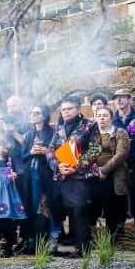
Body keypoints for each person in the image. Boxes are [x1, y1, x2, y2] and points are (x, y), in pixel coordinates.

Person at [47, 97, 99, 252]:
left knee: (80, 210)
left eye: (69, 108)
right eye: (63, 109)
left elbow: (95, 149)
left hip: (81, 176)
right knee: (66, 210)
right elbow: (50, 150)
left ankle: (83, 248)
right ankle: (73, 245)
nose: (66, 112)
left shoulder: (90, 125)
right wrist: (58, 165)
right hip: (62, 176)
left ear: (78, 108)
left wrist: (76, 167)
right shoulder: (59, 127)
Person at [19, 105, 56, 250]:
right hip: (31, 177)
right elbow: (23, 157)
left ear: (44, 115)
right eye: (31, 112)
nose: (33, 115)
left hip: (47, 176)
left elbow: (59, 152)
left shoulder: (52, 132)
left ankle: (48, 240)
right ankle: (33, 240)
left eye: (37, 113)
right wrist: (31, 152)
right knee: (32, 207)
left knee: (46, 206)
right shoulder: (28, 135)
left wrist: (46, 151)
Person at [112, 89, 135, 236]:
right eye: (117, 98)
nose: (119, 100)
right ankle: (120, 224)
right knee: (119, 195)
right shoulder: (112, 120)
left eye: (123, 97)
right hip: (118, 164)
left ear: (130, 99)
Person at [91, 106, 131, 238]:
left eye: (105, 115)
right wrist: (95, 169)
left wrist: (104, 170)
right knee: (97, 204)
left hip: (115, 174)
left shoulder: (119, 133)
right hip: (96, 174)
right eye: (99, 116)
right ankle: (97, 234)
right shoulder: (94, 134)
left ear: (111, 118)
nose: (102, 118)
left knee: (114, 205)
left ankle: (115, 234)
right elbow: (90, 153)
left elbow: (121, 155)